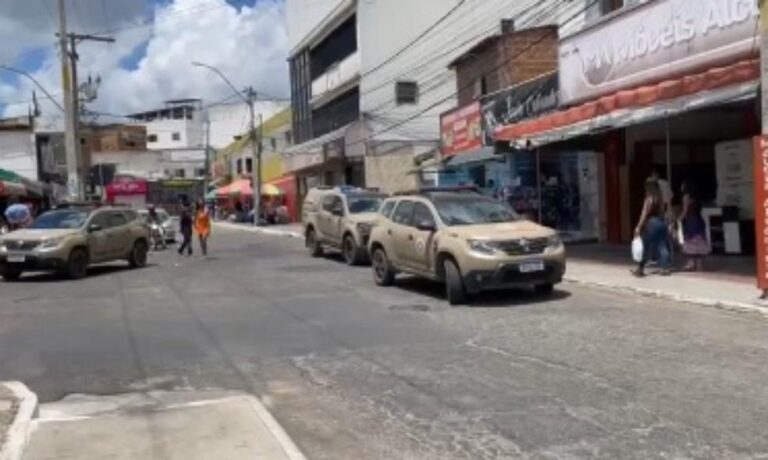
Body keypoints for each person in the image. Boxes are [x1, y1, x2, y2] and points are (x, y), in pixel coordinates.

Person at [632, 178, 671, 277]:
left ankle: (640, 269)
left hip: (652, 223)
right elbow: (663, 212)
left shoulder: (649, 199)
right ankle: (665, 268)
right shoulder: (660, 198)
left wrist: (638, 227)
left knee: (645, 245)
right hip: (661, 222)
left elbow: (644, 214)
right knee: (662, 245)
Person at [679, 181, 710, 271]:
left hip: (691, 220)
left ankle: (690, 263)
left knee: (690, 241)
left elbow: (685, 210)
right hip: (699, 219)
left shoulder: (686, 196)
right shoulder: (697, 197)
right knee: (698, 241)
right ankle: (700, 266)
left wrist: (678, 219)